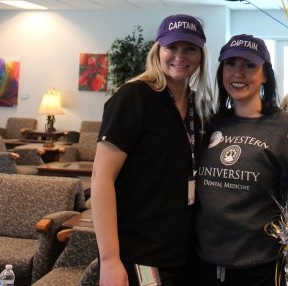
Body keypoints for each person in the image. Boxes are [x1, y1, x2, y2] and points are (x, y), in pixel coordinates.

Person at [91, 14, 215, 286]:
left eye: (190, 49)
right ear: (158, 49)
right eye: (172, 47)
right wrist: (110, 260)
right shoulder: (133, 97)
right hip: (139, 252)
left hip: (185, 251)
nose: (180, 56)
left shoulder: (200, 107)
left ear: (201, 55)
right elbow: (101, 178)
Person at [194, 34, 288, 286]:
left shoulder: (286, 128)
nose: (238, 73)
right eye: (230, 64)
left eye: (249, 65)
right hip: (205, 263)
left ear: (265, 74)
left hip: (262, 267)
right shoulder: (211, 123)